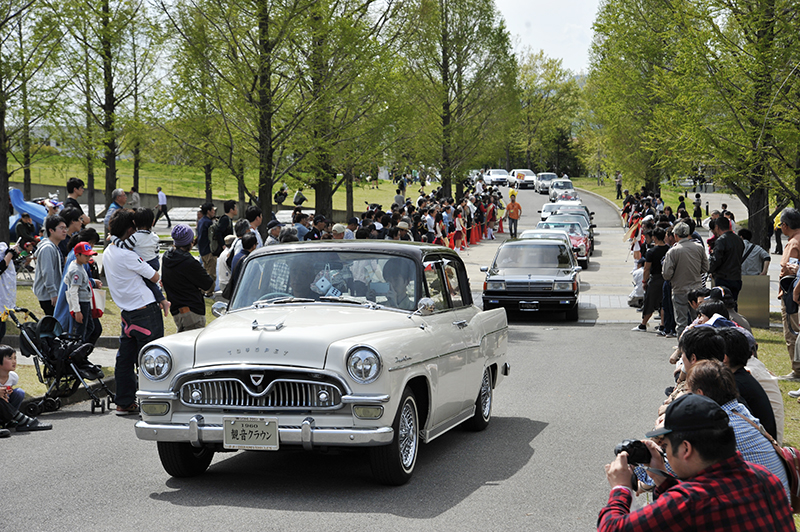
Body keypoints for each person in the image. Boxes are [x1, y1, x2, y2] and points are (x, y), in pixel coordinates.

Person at [599, 393, 794, 531]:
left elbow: (611, 528)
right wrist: (659, 474)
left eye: (665, 446)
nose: (665, 452)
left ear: (686, 449)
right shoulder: (765, 478)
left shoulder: (690, 502)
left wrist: (621, 488)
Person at [686, 360, 790, 496]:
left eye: (687, 392)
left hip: (758, 513)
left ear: (700, 395)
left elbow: (675, 469)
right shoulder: (740, 411)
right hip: (778, 510)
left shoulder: (717, 428)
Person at [103, 209, 166, 415]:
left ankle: (124, 401)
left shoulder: (108, 252)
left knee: (125, 360)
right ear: (130, 229)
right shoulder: (128, 255)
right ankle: (154, 404)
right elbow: (155, 276)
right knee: (153, 358)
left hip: (127, 314)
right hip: (146, 312)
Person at [110, 208, 167, 310]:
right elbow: (156, 250)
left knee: (150, 282)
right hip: (154, 261)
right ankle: (161, 298)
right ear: (153, 222)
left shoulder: (135, 237)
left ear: (135, 223)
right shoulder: (154, 236)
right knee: (152, 282)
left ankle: (162, 300)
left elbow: (123, 246)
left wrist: (113, 238)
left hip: (145, 262)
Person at [161, 224, 215, 332]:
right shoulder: (189, 262)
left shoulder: (167, 257)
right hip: (192, 312)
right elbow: (209, 284)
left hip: (176, 311)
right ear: (190, 242)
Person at [662, 222, 708, 338]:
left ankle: (682, 349)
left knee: (681, 322)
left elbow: (666, 274)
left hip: (679, 289)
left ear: (676, 235)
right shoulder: (699, 247)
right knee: (698, 320)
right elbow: (705, 268)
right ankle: (698, 345)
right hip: (697, 290)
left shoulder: (673, 251)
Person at [777, 208, 800, 381]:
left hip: (792, 293)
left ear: (785, 225)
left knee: (792, 332)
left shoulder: (793, 243)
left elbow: (788, 270)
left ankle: (797, 370)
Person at [633, 228, 669, 332]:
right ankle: (662, 325)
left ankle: (643, 324)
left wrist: (644, 281)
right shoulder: (669, 249)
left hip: (655, 279)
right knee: (663, 302)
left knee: (649, 302)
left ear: (655, 237)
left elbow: (647, 269)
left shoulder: (651, 252)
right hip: (666, 278)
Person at [63, 242, 97, 343]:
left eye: (90, 255)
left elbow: (66, 280)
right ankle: (75, 354)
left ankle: (80, 352)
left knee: (90, 328)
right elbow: (73, 291)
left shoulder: (78, 265)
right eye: (86, 255)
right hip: (81, 303)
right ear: (77, 255)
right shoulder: (76, 270)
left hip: (84, 302)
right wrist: (77, 311)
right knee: (80, 333)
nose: (89, 258)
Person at [33, 215, 67, 315]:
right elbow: (47, 272)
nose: (64, 231)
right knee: (53, 325)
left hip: (54, 294)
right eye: (61, 228)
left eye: (65, 228)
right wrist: (53, 293)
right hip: (49, 296)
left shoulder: (54, 246)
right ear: (51, 230)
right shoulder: (47, 248)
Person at [708, 216, 744, 304]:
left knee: (722, 305)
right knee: (733, 304)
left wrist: (710, 270)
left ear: (717, 227)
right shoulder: (738, 240)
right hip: (736, 277)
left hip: (723, 278)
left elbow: (716, 259)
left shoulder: (721, 240)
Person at [196, 202, 216, 294]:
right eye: (212, 210)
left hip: (202, 250)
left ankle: (204, 290)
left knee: (205, 271)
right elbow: (212, 237)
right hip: (209, 251)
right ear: (208, 211)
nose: (214, 212)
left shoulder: (201, 221)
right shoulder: (208, 222)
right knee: (211, 273)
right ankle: (209, 291)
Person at [0, 345, 24, 410]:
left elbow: (10, 389)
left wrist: (9, 391)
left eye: (15, 358)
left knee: (19, 392)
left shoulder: (14, 377)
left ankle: (12, 415)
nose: (14, 361)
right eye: (10, 358)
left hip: (5, 403)